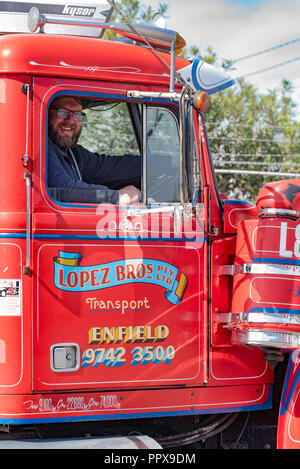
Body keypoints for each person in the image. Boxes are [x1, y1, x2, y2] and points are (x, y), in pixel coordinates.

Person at [47, 96, 141, 204]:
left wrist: (155, 165)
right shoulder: (40, 147)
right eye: (62, 112)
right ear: (46, 114)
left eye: (77, 114)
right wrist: (117, 197)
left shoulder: (74, 153)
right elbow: (63, 189)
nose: (71, 120)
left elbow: (112, 167)